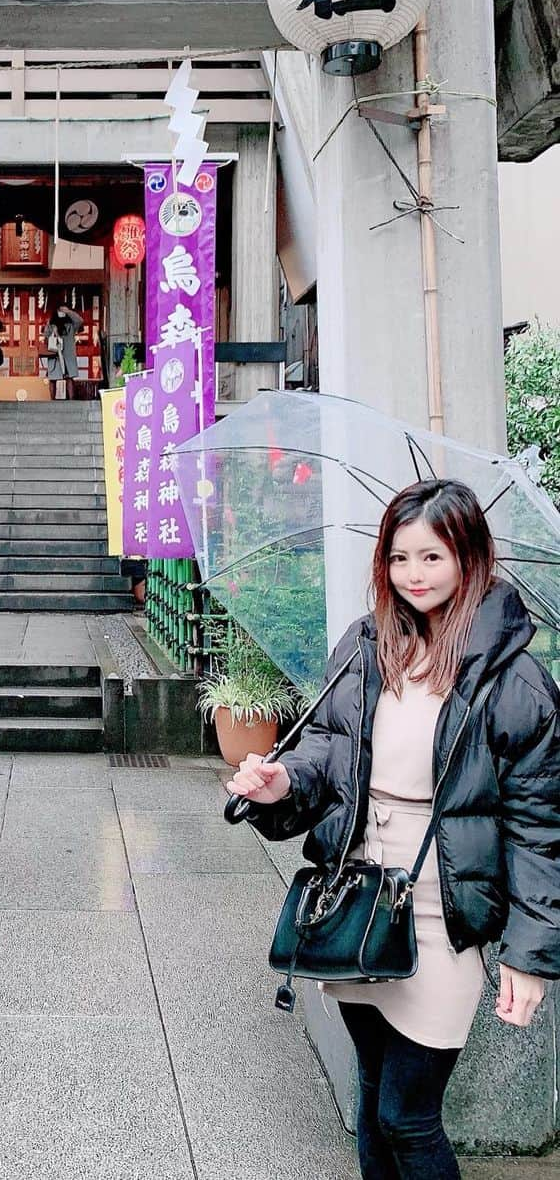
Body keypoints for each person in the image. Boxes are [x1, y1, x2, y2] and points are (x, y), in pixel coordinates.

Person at [227, 479, 559, 1180]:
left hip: (445, 912)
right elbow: (325, 748)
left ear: (471, 558)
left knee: (409, 1118)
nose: (414, 575)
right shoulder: (364, 646)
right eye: (400, 558)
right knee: (375, 1096)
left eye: (433, 558)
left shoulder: (515, 681)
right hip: (361, 904)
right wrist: (280, 781)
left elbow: (540, 826)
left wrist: (529, 957)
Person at [43, 302, 83, 400]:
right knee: (53, 378)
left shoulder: (71, 325)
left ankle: (71, 399)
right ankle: (52, 399)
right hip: (54, 354)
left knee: (69, 377)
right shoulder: (51, 324)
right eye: (60, 310)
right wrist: (50, 326)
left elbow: (79, 321)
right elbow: (46, 335)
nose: (62, 313)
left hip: (67, 355)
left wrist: (69, 311)